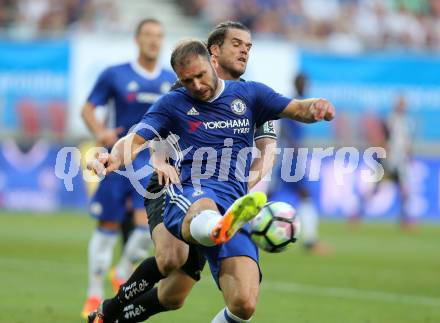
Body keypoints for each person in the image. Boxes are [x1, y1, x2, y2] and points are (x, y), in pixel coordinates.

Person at [88, 39, 334, 322]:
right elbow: (135, 139)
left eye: (200, 76)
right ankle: (215, 228)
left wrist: (316, 108)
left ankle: (109, 314)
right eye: (187, 80)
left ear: (212, 63)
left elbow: (295, 110)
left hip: (232, 198)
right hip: (185, 188)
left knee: (223, 302)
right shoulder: (174, 101)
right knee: (172, 256)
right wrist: (113, 158)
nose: (195, 85)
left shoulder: (251, 94)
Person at [80, 18, 176, 318]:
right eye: (148, 35)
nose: (153, 41)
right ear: (137, 39)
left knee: (145, 227)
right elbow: (88, 108)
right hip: (119, 160)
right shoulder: (115, 74)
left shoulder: (170, 79)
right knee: (107, 226)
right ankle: (93, 295)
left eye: (158, 36)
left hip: (150, 162)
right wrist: (100, 131)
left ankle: (121, 271)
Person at [277, 73, 332, 254]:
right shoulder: (294, 103)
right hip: (290, 158)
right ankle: (310, 241)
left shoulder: (303, 102)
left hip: (291, 157)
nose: (304, 85)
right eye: (302, 83)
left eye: (305, 83)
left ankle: (244, 229)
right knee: (305, 195)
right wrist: (293, 146)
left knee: (272, 194)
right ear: (296, 83)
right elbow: (284, 127)